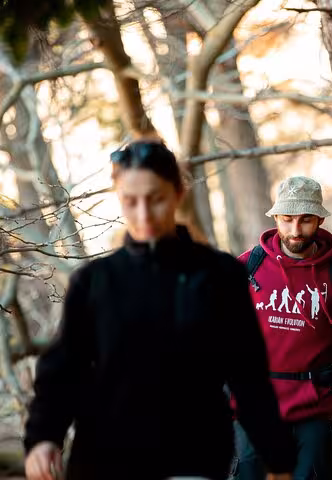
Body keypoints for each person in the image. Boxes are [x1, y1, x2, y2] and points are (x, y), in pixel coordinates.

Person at [23, 140, 295, 480]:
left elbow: (248, 375)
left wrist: (278, 458)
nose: (143, 214)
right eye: (130, 202)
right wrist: (43, 436)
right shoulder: (94, 282)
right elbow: (64, 367)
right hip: (104, 459)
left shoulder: (220, 276)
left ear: (178, 192)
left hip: (193, 458)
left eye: (156, 199)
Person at [230, 176, 332, 480]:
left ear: (319, 219)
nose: (295, 230)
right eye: (287, 219)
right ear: (276, 218)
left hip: (314, 408)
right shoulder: (247, 268)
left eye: (305, 220)